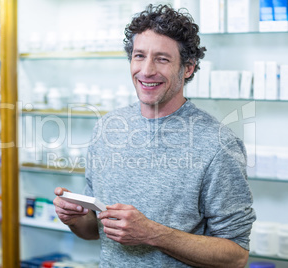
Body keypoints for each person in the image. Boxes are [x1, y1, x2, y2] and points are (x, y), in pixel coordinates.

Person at [53, 4, 256, 268]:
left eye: (162, 59)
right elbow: (96, 231)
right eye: (139, 56)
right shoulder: (107, 129)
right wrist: (75, 218)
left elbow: (236, 256)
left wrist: (152, 234)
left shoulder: (217, 144)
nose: (146, 70)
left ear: (188, 68)